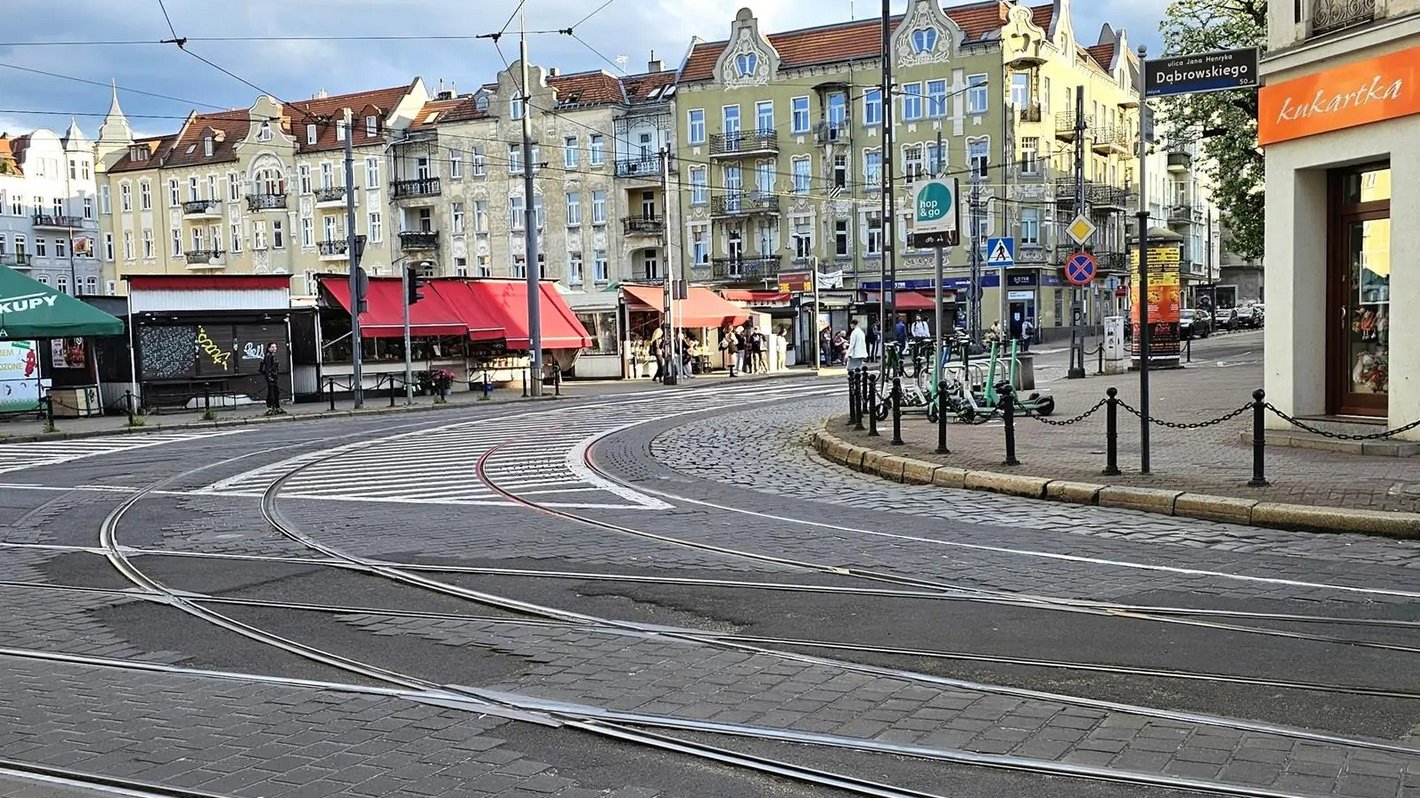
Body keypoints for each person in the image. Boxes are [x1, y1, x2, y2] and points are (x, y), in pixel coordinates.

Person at [258, 342, 283, 414]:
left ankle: (275, 407)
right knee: (272, 392)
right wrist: (269, 377)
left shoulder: (272, 356)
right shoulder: (269, 356)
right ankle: (271, 407)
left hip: (273, 376)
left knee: (275, 392)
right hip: (271, 377)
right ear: (269, 348)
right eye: (272, 347)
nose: (274, 348)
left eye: (275, 347)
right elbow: (268, 368)